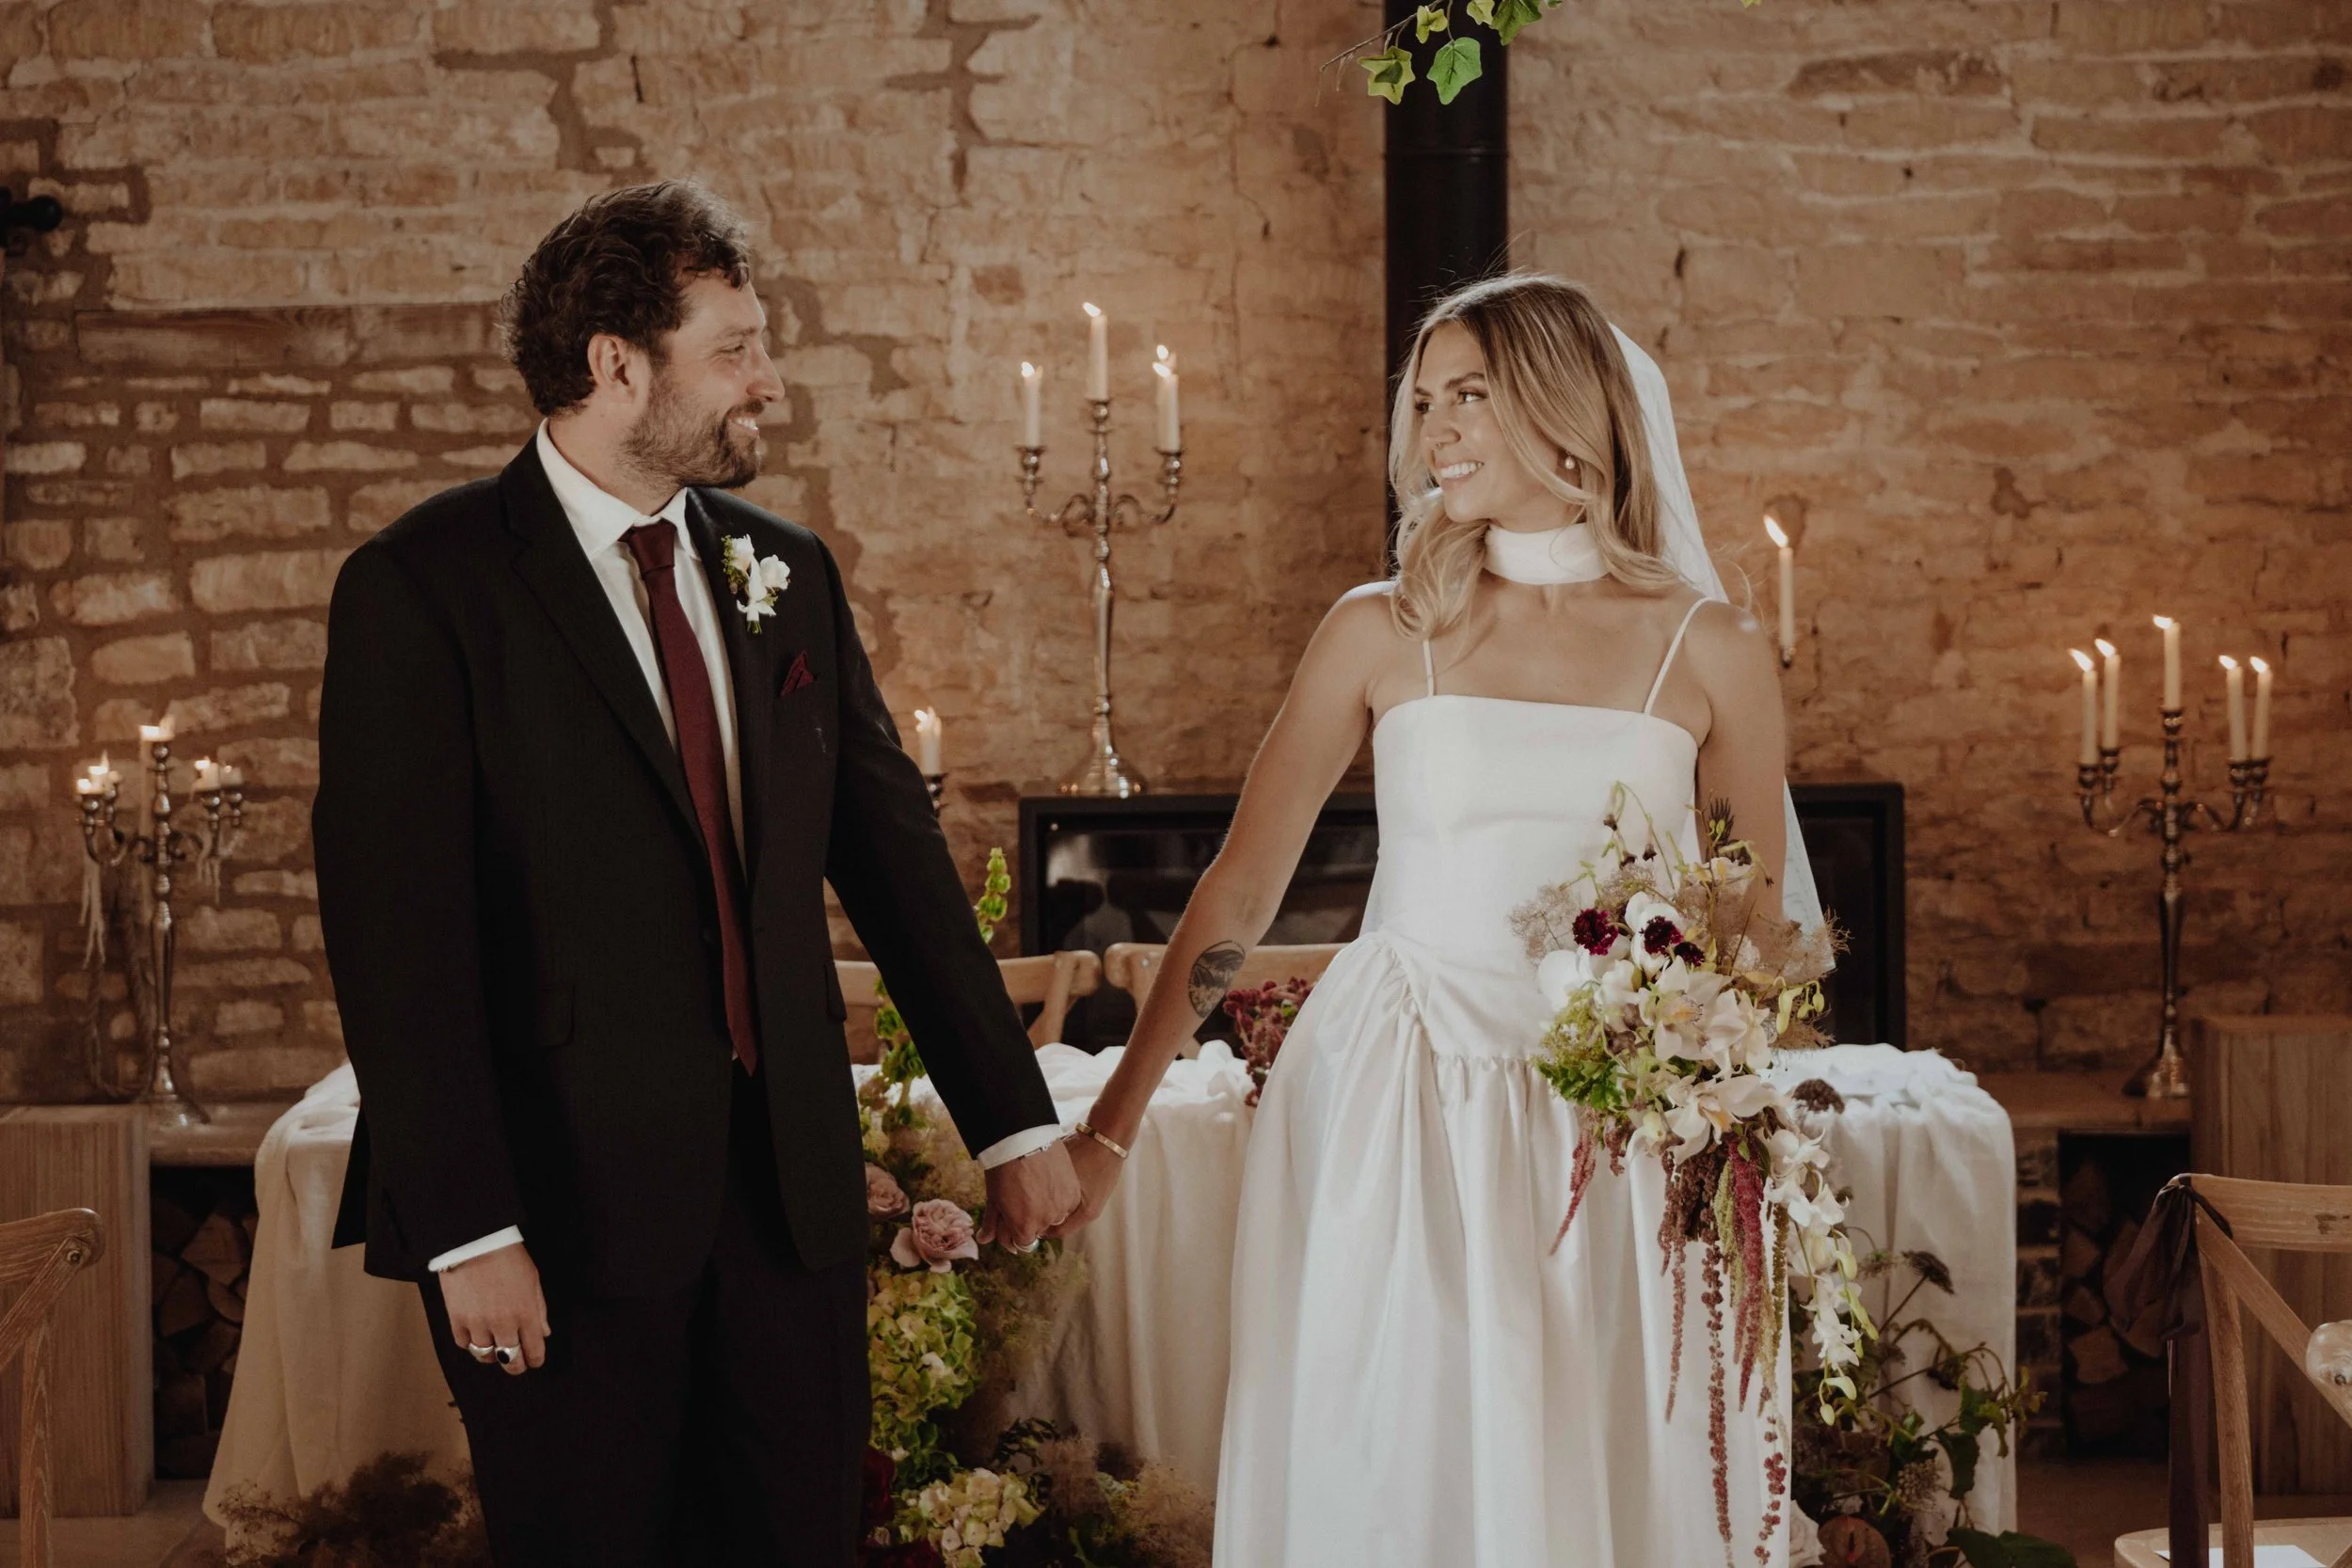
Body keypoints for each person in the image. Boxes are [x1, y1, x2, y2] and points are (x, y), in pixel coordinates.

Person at [311, 180, 1083, 1567]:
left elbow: (896, 861)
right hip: (557, 1212)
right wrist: (470, 1226)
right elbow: (396, 938)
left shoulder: (786, 571)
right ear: (617, 365)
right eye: (733, 347)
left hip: (789, 1204)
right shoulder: (422, 587)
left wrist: (1015, 1124)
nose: (769, 382)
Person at [1050, 275, 1820, 1564]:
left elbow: (1749, 939)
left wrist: (1700, 1103)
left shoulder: (1713, 649)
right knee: (1391, 1458)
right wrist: (1113, 1130)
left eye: (1469, 394)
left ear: (1567, 411)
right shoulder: (1377, 628)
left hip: (1616, 1127)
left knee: (1596, 1448)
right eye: (1422, 401)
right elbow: (1240, 888)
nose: (1434, 428)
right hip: (1393, 1106)